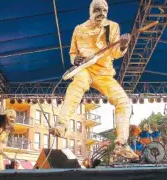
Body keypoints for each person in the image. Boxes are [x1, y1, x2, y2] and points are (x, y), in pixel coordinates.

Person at [49, 0, 138, 160]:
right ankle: (61, 125)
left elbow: (115, 53)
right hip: (85, 69)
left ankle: (122, 144)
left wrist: (123, 46)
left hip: (104, 73)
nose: (101, 13)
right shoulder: (79, 29)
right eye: (97, 10)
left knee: (123, 101)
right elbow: (72, 53)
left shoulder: (113, 26)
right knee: (77, 86)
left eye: (104, 10)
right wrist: (75, 59)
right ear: (90, 11)